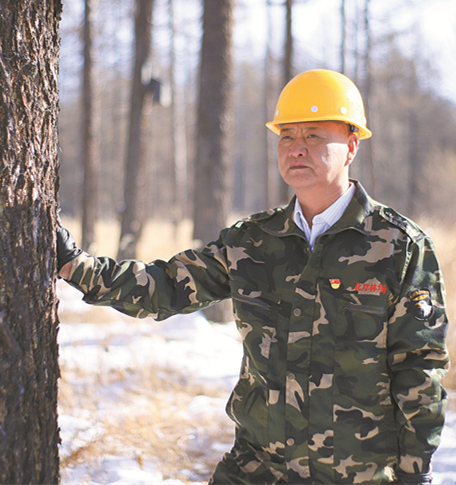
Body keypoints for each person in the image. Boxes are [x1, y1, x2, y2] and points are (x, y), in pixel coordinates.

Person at [57, 69, 449, 485]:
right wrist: (72, 264)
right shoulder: (253, 242)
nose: (297, 149)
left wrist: (414, 474)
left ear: (351, 146)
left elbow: (419, 370)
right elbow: (164, 286)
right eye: (287, 136)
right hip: (258, 471)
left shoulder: (399, 246)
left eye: (313, 136)